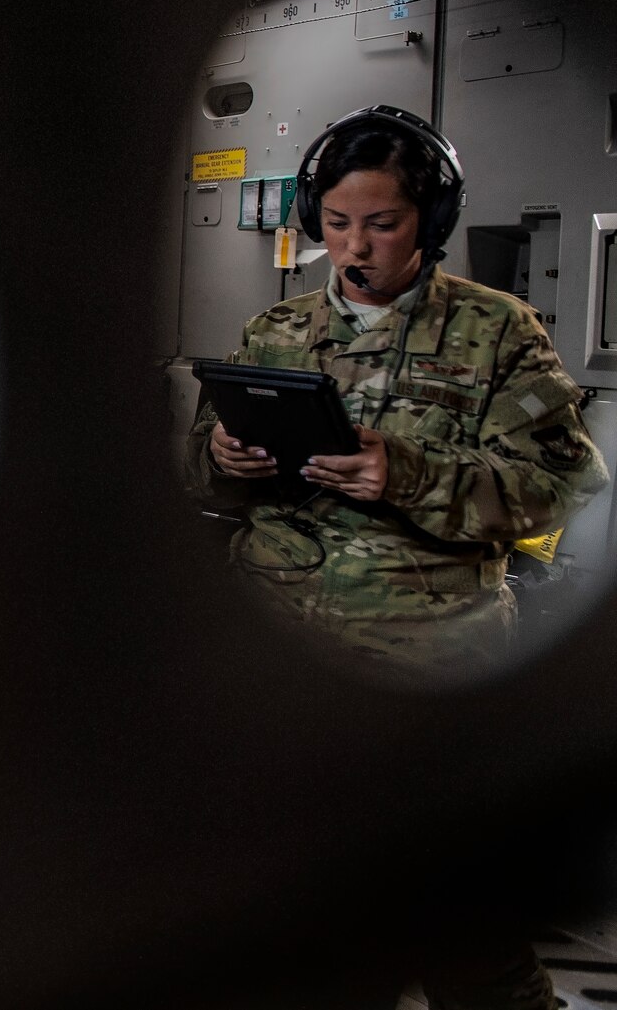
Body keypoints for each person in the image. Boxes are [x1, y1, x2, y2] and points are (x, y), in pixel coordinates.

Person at [187, 105, 606, 678]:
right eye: (336, 223)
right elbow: (198, 474)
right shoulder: (272, 329)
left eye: (382, 225)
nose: (355, 247)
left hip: (423, 654)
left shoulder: (500, 331)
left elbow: (563, 485)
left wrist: (409, 474)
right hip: (270, 633)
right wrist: (219, 455)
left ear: (430, 223)